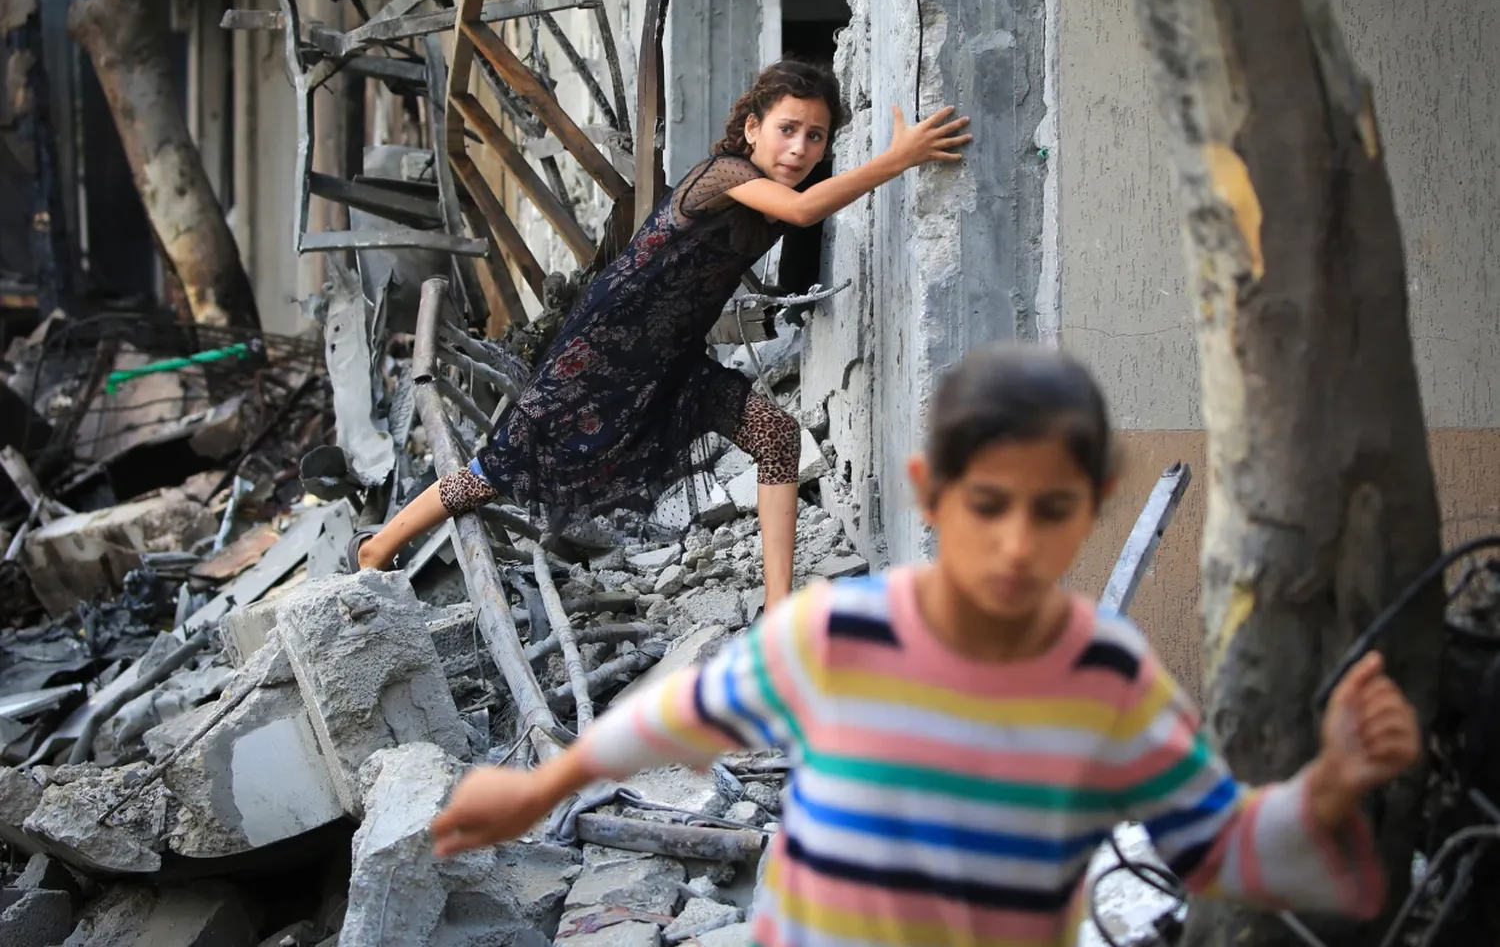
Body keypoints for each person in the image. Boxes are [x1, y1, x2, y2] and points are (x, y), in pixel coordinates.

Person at [429, 343, 1421, 947]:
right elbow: (679, 714)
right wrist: (544, 784)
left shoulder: (1109, 682)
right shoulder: (839, 636)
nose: (1018, 543)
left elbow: (1217, 845)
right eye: (989, 505)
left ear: (1095, 508)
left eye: (1053, 510)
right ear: (930, 490)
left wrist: (1331, 782)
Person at [347, 58, 972, 612]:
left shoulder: (774, 190)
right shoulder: (724, 176)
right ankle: (377, 549)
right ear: (753, 128)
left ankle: (779, 609)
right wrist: (899, 158)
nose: (800, 148)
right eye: (787, 129)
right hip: (603, 348)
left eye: (815, 136)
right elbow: (806, 210)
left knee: (776, 437)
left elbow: (800, 208)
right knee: (503, 465)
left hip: (671, 360)